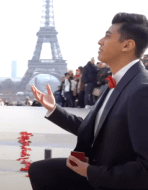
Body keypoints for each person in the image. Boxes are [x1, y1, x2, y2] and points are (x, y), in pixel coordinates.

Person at [29, 12, 148, 190]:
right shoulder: (120, 82)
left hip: (110, 179)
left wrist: (91, 173)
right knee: (41, 170)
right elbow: (95, 129)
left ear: (127, 45)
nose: (100, 41)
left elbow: (145, 170)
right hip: (100, 168)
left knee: (45, 173)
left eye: (108, 36)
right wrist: (54, 109)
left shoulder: (141, 90)